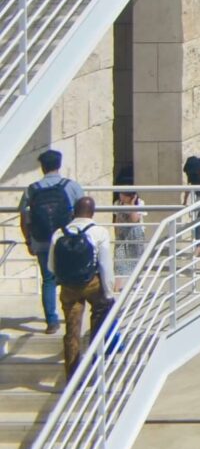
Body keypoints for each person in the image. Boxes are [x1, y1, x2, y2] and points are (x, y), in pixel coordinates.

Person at [17, 150, 83, 332]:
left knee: (48, 280)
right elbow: (82, 212)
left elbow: (23, 216)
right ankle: (71, 316)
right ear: (59, 165)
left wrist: (28, 241)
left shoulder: (32, 189)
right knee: (71, 278)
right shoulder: (71, 186)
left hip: (42, 240)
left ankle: (52, 321)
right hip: (67, 241)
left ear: (42, 167)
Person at [49, 197, 114, 370]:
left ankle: (72, 378)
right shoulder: (99, 232)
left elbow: (51, 266)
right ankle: (96, 365)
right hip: (92, 283)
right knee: (99, 321)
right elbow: (105, 265)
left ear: (73, 212)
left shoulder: (58, 233)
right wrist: (108, 293)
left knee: (72, 332)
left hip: (69, 287)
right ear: (92, 213)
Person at [110, 187, 146, 279]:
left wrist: (132, 204)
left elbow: (134, 220)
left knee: (135, 261)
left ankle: (137, 285)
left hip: (135, 235)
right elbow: (117, 220)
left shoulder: (139, 203)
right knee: (119, 264)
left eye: (123, 194)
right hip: (122, 235)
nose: (120, 196)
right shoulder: (117, 203)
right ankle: (117, 289)